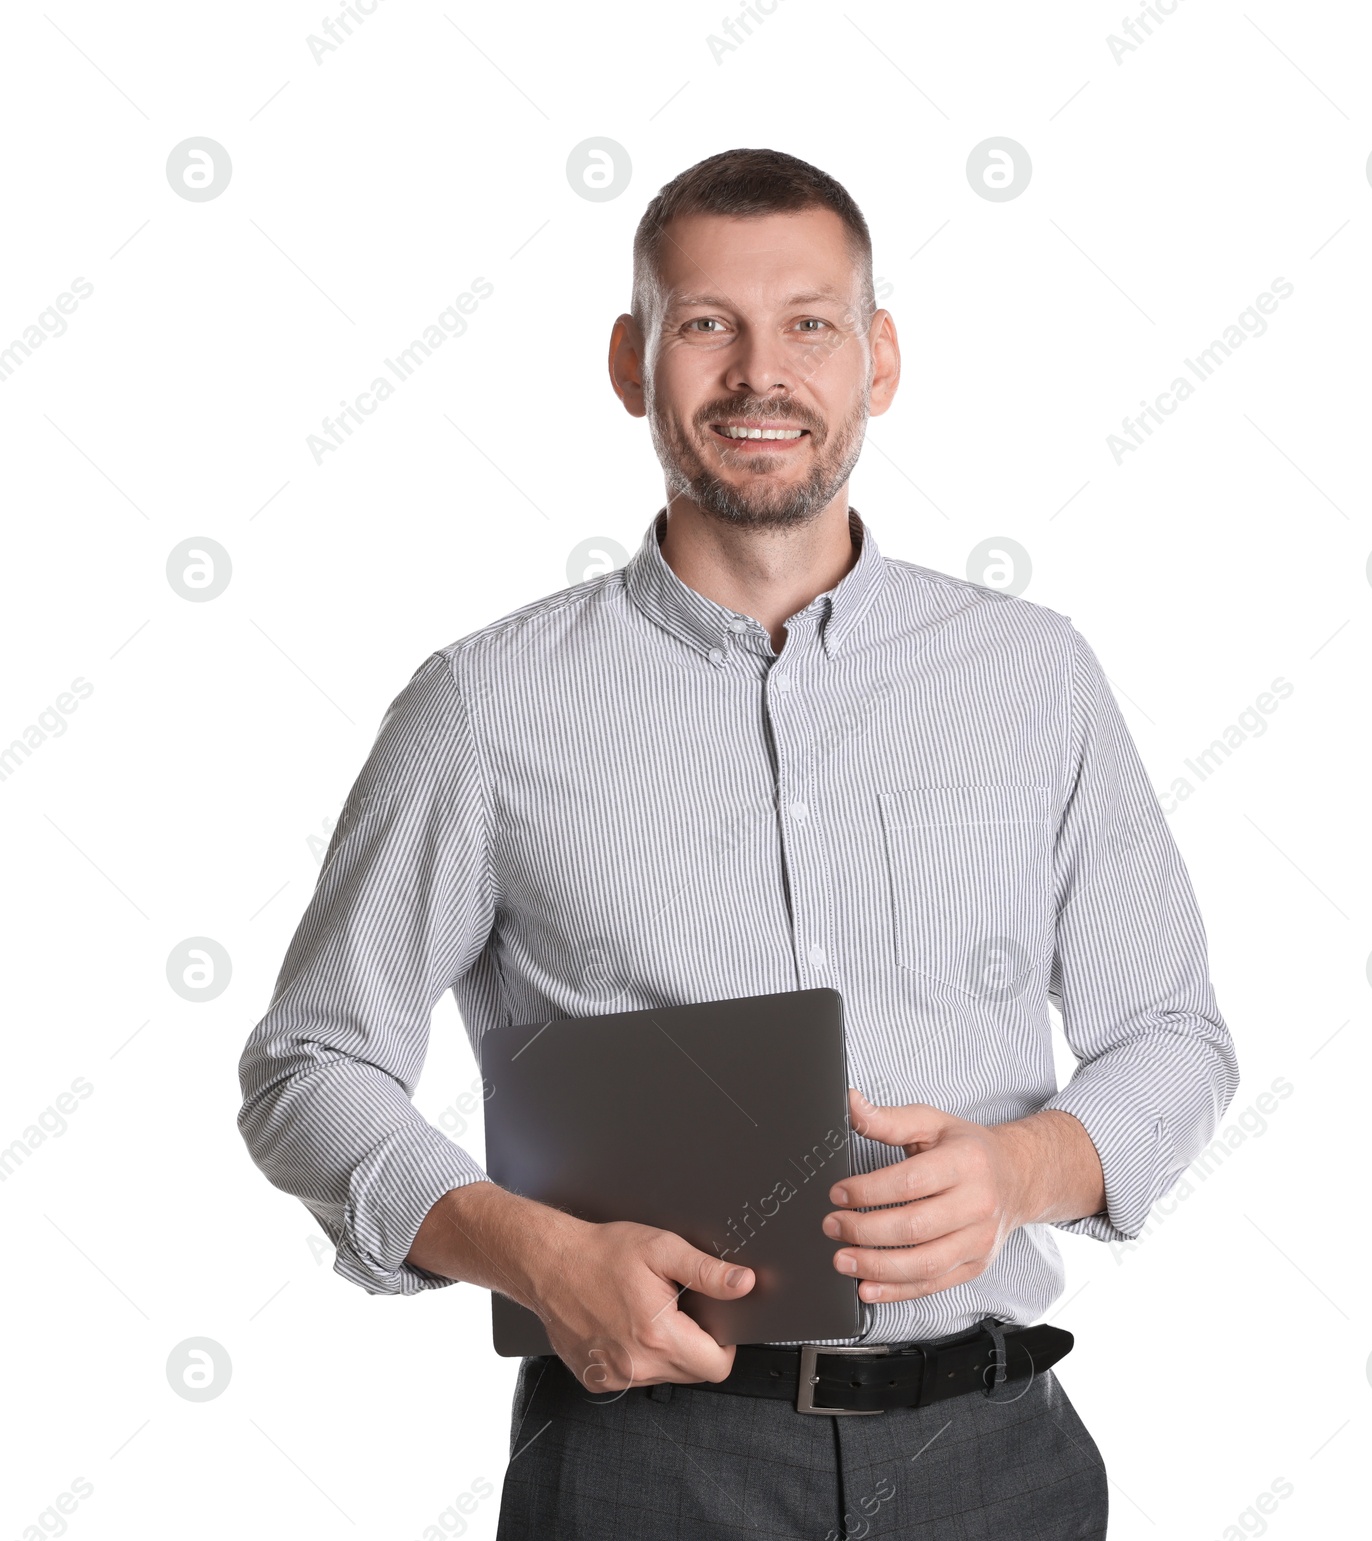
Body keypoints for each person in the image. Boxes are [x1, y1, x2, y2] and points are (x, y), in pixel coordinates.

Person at [237, 146, 1239, 1540]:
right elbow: (309, 1065)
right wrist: (522, 1248)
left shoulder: (1035, 676)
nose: (761, 373)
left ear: (878, 358)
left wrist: (1029, 1167)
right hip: (649, 1466)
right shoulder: (482, 705)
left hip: (998, 1464)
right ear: (630, 359)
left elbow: (1175, 1032)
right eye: (708, 324)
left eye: (810, 324)